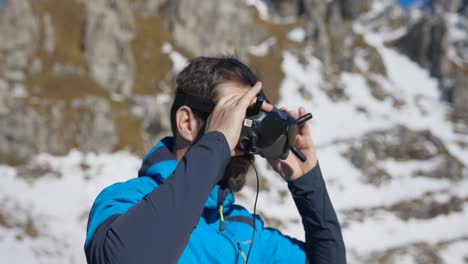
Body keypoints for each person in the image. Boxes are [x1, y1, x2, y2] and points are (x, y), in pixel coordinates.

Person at [84, 57, 346, 263]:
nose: (242, 141)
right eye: (234, 117)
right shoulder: (125, 201)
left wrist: (308, 183)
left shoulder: (245, 230)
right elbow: (126, 258)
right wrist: (218, 143)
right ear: (187, 122)